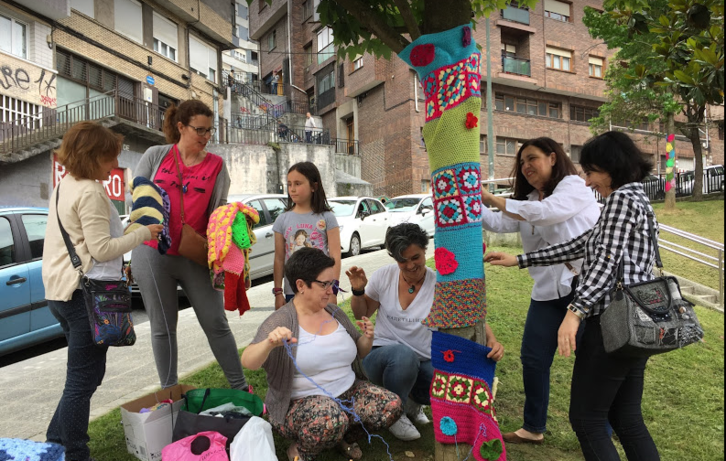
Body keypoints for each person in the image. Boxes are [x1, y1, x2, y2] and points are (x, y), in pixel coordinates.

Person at [486, 131, 661, 461]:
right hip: (635, 323)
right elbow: (582, 244)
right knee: (626, 418)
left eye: (592, 171)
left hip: (611, 320)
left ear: (611, 167)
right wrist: (521, 259)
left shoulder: (620, 201)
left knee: (587, 420)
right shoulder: (634, 200)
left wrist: (574, 313)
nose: (589, 181)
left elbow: (605, 262)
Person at [42, 121, 163, 461]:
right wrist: (143, 233)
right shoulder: (91, 191)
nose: (114, 164)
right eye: (110, 157)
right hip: (85, 295)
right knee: (81, 382)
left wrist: (124, 232)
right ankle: (75, 453)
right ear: (93, 156)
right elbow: (102, 249)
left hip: (62, 292)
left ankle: (55, 439)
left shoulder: (65, 185)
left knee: (86, 376)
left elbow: (86, 240)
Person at [480, 137, 600, 445]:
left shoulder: (574, 186)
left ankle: (600, 430)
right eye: (521, 163)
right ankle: (533, 427)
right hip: (547, 292)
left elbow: (548, 214)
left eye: (532, 158)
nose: (526, 166)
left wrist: (491, 197)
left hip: (584, 290)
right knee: (533, 359)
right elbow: (498, 222)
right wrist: (462, 200)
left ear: (553, 157)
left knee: (591, 363)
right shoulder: (530, 200)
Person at [346, 223, 504, 441]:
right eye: (403, 260)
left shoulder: (438, 283)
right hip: (382, 355)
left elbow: (468, 313)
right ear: (394, 258)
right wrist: (358, 291)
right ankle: (395, 413)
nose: (410, 265)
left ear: (425, 251)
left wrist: (493, 340)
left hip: (423, 359)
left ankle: (411, 404)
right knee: (403, 356)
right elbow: (361, 313)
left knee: (447, 377)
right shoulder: (384, 276)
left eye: (415, 257)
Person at [131, 100, 249, 391]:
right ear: (180, 127)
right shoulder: (155, 156)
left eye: (210, 131)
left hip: (195, 252)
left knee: (215, 322)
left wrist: (229, 224)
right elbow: (136, 201)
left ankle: (240, 387)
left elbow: (216, 211)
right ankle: (171, 392)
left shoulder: (216, 166)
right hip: (152, 252)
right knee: (162, 328)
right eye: (200, 130)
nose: (206, 136)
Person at [241, 248, 403, 461]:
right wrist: (269, 344)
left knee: (391, 406)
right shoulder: (281, 320)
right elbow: (248, 361)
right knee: (329, 418)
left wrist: (367, 338)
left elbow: (360, 352)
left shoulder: (334, 312)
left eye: (332, 284)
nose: (330, 290)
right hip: (298, 405)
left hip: (346, 394)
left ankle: (340, 437)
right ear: (301, 285)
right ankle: (300, 450)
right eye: (324, 284)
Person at [272, 162, 341, 309]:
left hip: (322, 290)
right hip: (293, 291)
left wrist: (333, 289)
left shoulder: (327, 217)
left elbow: (335, 255)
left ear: (313, 186)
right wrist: (278, 292)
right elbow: (279, 258)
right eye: (289, 184)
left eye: (298, 183)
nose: (292, 189)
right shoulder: (282, 220)